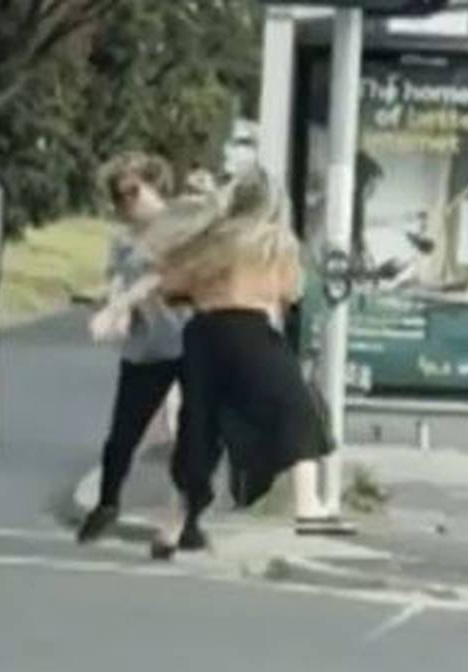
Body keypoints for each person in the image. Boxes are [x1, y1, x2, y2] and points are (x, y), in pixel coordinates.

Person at [143, 166, 336, 550]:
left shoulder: (209, 237)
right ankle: (308, 507)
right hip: (250, 334)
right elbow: (293, 291)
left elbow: (171, 286)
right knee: (300, 408)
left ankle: (174, 524)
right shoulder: (274, 241)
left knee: (199, 431)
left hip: (203, 337)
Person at [76, 152, 186, 544]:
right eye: (119, 196)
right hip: (146, 347)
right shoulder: (122, 242)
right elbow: (119, 284)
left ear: (156, 186)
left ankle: (180, 520)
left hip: (188, 343)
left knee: (186, 435)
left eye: (134, 191)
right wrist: (110, 307)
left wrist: (120, 305)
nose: (127, 203)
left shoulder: (181, 228)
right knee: (122, 433)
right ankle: (107, 503)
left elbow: (162, 277)